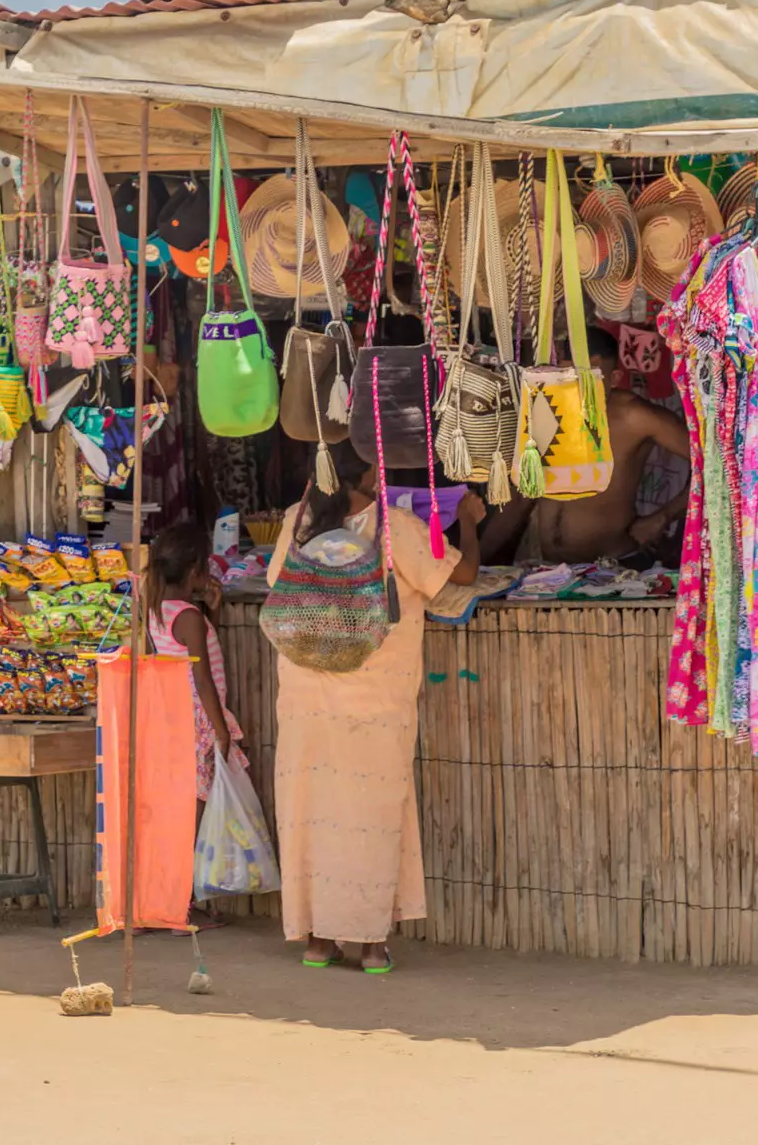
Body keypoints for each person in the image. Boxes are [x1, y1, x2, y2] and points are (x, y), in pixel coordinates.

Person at [267, 438, 483, 973]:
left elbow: (275, 585)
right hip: (375, 697)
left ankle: (317, 940)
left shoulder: (298, 520)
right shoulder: (393, 528)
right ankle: (370, 945)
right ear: (367, 474)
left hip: (305, 696)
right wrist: (472, 521)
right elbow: (461, 577)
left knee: (311, 810)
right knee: (371, 814)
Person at [479, 326, 691, 566]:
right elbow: (521, 497)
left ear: (616, 379)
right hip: (554, 572)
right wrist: (480, 563)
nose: (580, 389)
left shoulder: (635, 416)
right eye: (571, 377)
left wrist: (663, 517)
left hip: (619, 567)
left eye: (592, 379)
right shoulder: (548, 409)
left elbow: (712, 463)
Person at [145, 524, 248, 811]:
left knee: (192, 794)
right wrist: (221, 730)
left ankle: (192, 854)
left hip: (178, 714)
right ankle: (196, 855)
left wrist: (212, 613)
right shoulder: (188, 616)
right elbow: (202, 679)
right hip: (201, 718)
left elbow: (195, 654)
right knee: (201, 799)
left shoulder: (158, 608)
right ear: (194, 573)